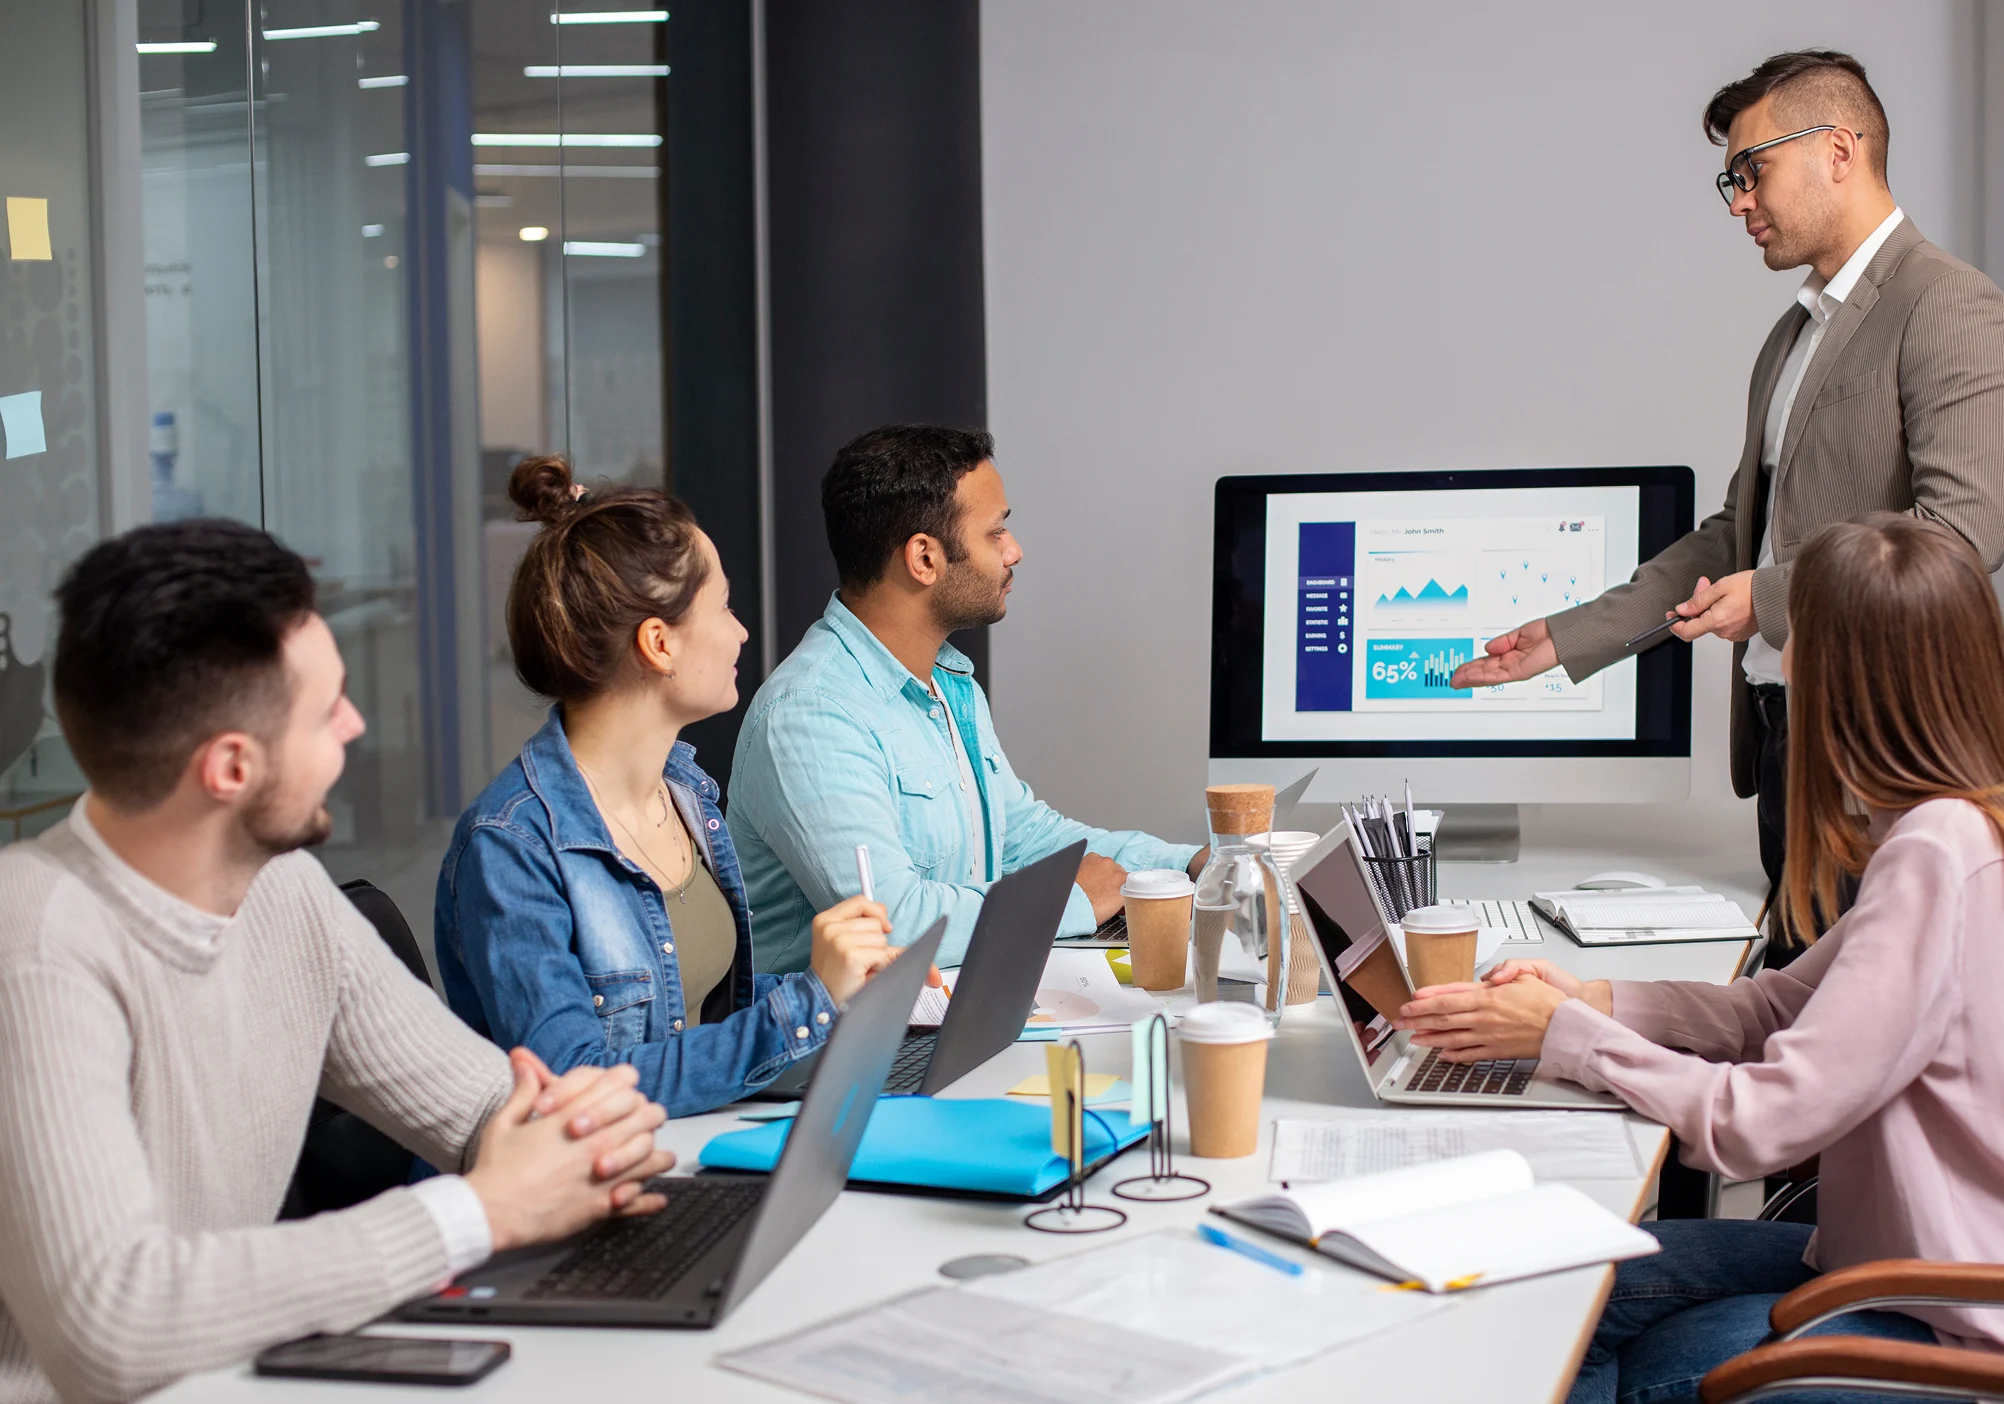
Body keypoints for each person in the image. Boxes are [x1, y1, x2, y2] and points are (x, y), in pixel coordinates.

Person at [1398, 516, 2004, 1402]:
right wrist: (1589, 997)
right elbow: (1776, 1010)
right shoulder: (1959, 822)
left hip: (1978, 1322)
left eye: (1798, 651)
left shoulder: (1939, 855)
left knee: (1576, 1338)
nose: (1782, 671)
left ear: (1852, 682)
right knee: (1560, 1284)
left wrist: (1570, 1039)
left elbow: (1758, 1128)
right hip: (1932, 1265)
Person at [0, 520, 677, 1404]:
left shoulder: (285, 894)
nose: (357, 725)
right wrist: (479, 1211)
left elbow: (483, 1106)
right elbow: (115, 1325)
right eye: (327, 711)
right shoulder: (34, 946)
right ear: (231, 768)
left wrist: (579, 1131)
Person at [1450, 50, 2004, 955]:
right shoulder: (1794, 334)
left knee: (1835, 1059)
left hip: (1881, 760)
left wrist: (1767, 598)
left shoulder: (1949, 305)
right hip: (1786, 747)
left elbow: (1960, 537)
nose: (1737, 202)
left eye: (1750, 171)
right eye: (1731, 178)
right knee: (1787, 1015)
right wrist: (1568, 637)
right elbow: (1740, 532)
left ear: (1840, 149)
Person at [437, 458, 921, 1118]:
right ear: (658, 643)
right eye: (723, 607)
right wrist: (807, 1004)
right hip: (591, 1193)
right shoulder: (511, 845)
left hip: (692, 1147)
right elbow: (576, 1086)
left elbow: (690, 1008)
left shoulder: (686, 794)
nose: (741, 631)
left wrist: (833, 982)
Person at [729, 424, 1203, 972]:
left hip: (945, 1011)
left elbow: (1021, 837)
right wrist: (1070, 902)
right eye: (995, 533)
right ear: (924, 559)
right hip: (846, 1046)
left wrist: (1189, 865)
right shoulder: (810, 716)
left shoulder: (949, 686)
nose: (1015, 551)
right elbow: (893, 923)